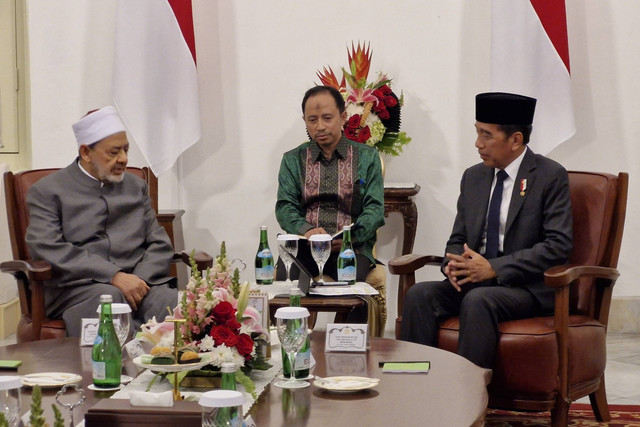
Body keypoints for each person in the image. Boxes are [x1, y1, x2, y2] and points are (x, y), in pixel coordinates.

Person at [400, 92, 573, 369]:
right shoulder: (474, 177)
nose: (478, 144)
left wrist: (494, 268)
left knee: (479, 300)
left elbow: (558, 245)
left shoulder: (549, 175)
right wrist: (453, 264)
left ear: (516, 140)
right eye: (477, 132)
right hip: (477, 281)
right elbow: (458, 238)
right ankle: (417, 387)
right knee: (420, 295)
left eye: (487, 135)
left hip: (525, 287)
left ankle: (469, 398)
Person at [25, 106, 178, 337]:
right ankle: (115, 371)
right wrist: (114, 276)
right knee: (109, 301)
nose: (124, 159)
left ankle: (176, 372)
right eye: (114, 152)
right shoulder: (47, 191)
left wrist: (138, 282)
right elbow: (47, 247)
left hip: (139, 283)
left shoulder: (135, 187)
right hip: (76, 288)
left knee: (176, 304)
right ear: (86, 152)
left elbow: (159, 244)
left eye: (126, 150)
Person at [275, 85, 385, 285]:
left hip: (351, 247)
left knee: (352, 287)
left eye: (327, 118)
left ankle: (351, 318)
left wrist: (351, 237)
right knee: (284, 284)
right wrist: (306, 230)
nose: (320, 126)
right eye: (312, 120)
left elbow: (375, 209)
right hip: (305, 247)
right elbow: (285, 207)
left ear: (343, 117)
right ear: (305, 121)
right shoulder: (292, 159)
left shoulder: (367, 157)